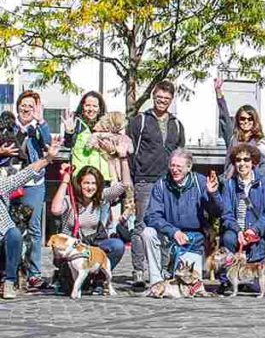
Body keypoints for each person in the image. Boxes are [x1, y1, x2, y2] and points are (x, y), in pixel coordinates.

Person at [128, 80, 186, 287]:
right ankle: (139, 270)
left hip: (168, 182)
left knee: (165, 227)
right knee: (141, 225)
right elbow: (129, 150)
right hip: (145, 179)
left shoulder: (177, 124)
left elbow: (181, 154)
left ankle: (161, 269)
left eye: (167, 99)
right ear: (153, 97)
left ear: (171, 100)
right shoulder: (140, 121)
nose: (162, 101)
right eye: (159, 97)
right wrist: (132, 179)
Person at [141, 149, 220, 287]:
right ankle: (156, 280)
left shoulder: (200, 182)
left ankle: (171, 270)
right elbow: (151, 215)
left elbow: (217, 211)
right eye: (172, 165)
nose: (175, 170)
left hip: (192, 237)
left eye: (179, 167)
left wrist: (213, 194)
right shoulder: (161, 184)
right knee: (147, 233)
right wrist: (173, 231)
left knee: (189, 285)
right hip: (168, 233)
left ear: (188, 168)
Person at [50, 164, 128, 290]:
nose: (90, 187)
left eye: (93, 183)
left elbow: (124, 185)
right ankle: (65, 277)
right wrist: (65, 182)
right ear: (79, 183)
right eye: (86, 183)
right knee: (74, 286)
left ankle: (99, 279)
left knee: (117, 245)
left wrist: (123, 159)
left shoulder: (100, 197)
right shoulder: (70, 199)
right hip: (73, 252)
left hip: (93, 246)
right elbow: (55, 210)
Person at [0, 138, 60, 299]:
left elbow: (25, 174)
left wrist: (47, 158)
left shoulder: (2, 185)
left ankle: (9, 281)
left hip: (2, 240)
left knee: (14, 234)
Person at [11, 90, 53, 290]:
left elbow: (49, 145)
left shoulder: (38, 128)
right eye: (23, 104)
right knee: (11, 228)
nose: (26, 108)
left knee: (34, 229)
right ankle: (12, 271)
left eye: (31, 105)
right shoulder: (9, 125)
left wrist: (41, 121)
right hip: (11, 182)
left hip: (34, 183)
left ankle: (34, 274)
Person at [218, 143, 265, 263]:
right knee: (228, 238)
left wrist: (253, 230)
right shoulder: (229, 185)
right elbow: (226, 215)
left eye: (246, 159)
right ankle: (231, 266)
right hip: (237, 233)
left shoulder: (264, 183)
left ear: (253, 162)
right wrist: (238, 230)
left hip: (258, 232)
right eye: (238, 160)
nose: (242, 163)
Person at [214, 77, 265, 180]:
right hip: (233, 182)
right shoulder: (233, 138)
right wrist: (218, 92)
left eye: (250, 119)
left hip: (252, 183)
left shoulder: (260, 140)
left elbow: (264, 165)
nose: (246, 121)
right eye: (242, 118)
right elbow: (225, 117)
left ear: (255, 120)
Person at [61, 91, 108, 175]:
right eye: (87, 105)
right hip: (81, 176)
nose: (91, 109)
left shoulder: (106, 125)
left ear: (100, 108)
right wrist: (69, 132)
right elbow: (68, 144)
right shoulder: (76, 123)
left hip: (103, 176)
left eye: (95, 106)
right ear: (82, 106)